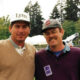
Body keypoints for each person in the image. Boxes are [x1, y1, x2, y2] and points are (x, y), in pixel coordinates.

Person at [0, 12, 36, 80]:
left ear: (29, 30)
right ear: (10, 28)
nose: (21, 30)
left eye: (24, 27)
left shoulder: (33, 50)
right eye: (17, 26)